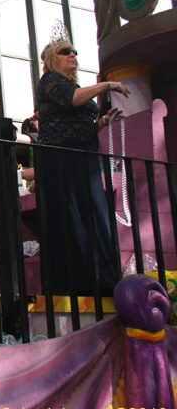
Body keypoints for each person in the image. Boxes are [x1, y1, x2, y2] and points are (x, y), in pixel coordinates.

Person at [36, 40, 130, 293]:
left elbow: (76, 115)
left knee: (93, 215)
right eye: (65, 52)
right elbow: (70, 100)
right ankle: (79, 283)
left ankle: (101, 279)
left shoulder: (72, 84)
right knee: (73, 216)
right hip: (62, 158)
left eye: (74, 51)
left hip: (82, 157)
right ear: (51, 59)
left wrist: (100, 123)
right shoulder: (50, 81)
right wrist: (108, 85)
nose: (72, 55)